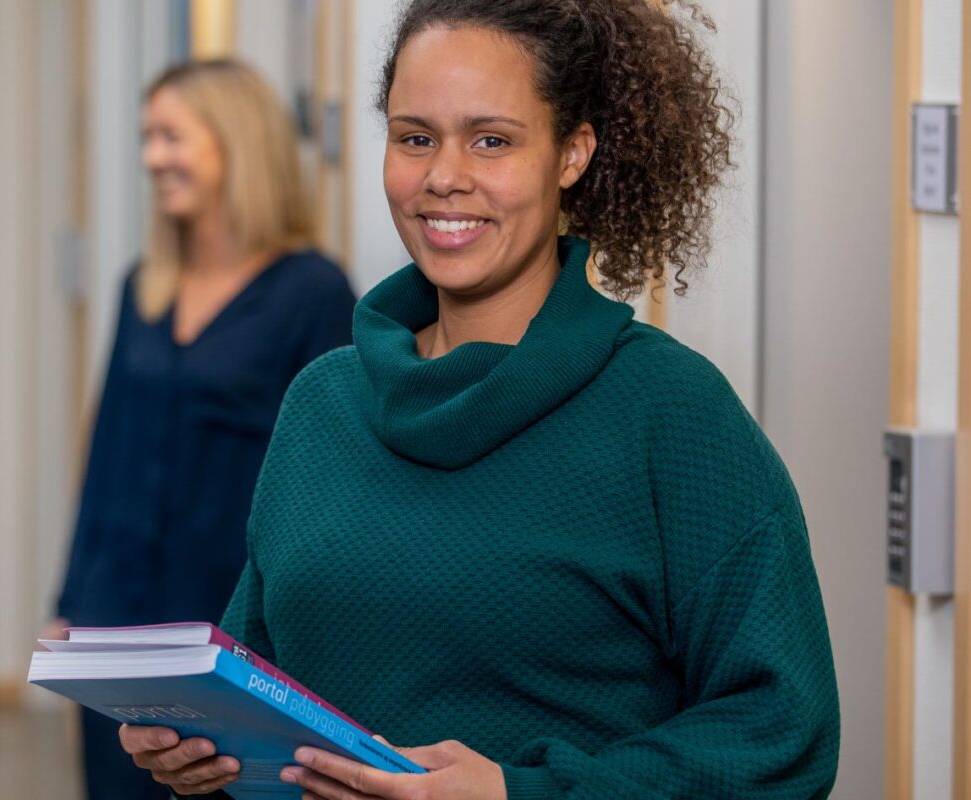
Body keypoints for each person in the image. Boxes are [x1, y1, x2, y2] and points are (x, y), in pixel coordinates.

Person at [120, 1, 840, 798]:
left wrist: (514, 792)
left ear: (572, 153)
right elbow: (265, 679)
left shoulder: (671, 414)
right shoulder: (322, 404)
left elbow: (781, 733)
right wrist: (204, 744)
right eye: (415, 137)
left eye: (491, 140)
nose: (444, 176)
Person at [49, 59, 357, 800]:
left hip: (233, 636)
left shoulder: (311, 291)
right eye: (146, 137)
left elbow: (335, 480)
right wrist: (68, 602)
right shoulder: (142, 288)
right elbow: (109, 450)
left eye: (172, 136)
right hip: (117, 623)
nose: (152, 156)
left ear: (236, 142)